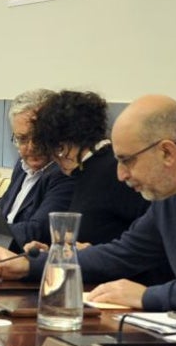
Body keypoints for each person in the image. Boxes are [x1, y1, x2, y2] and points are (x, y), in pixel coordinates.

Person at [0, 95, 176, 311]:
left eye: (127, 161)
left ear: (167, 152)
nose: (121, 175)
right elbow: (122, 253)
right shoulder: (167, 198)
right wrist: (27, 265)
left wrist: (149, 296)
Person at [0, 89, 75, 247]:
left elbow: (39, 231)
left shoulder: (64, 172)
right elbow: (5, 205)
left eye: (38, 137)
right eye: (22, 139)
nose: (30, 147)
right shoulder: (23, 165)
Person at [29, 90, 149, 246]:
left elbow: (142, 245)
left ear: (61, 146)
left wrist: (89, 254)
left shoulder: (110, 173)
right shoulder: (94, 168)